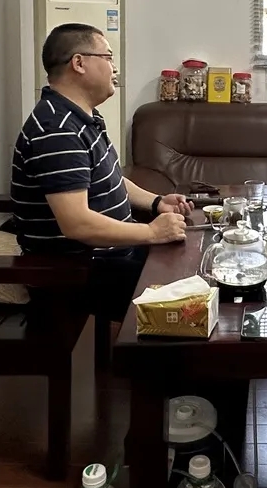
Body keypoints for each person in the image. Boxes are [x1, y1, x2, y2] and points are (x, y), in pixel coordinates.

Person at [11, 22, 191, 319]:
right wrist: (150, 231)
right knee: (190, 299)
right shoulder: (57, 130)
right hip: (76, 272)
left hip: (109, 257)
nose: (114, 68)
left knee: (193, 257)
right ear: (79, 63)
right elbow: (77, 224)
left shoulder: (80, 116)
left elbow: (109, 177)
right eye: (108, 58)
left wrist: (156, 202)